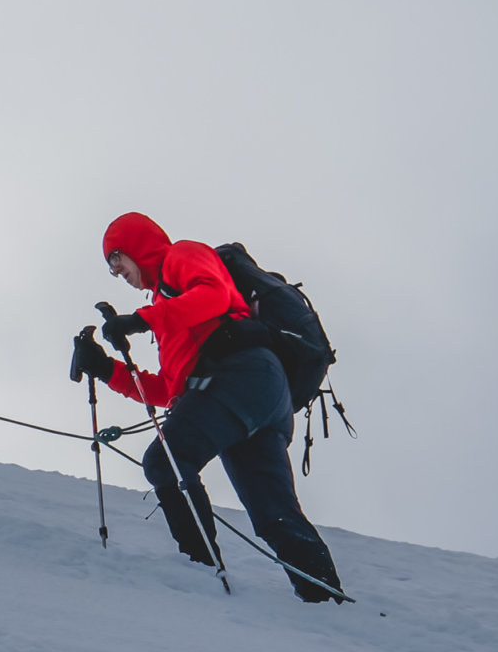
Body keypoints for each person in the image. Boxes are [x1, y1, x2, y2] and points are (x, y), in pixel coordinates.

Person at [71, 212, 343, 602]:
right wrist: (104, 367)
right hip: (257, 395)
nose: (118, 273)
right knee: (272, 514)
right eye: (112, 269)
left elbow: (213, 294)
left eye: (117, 260)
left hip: (243, 376)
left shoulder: (181, 256)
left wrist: (142, 321)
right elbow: (168, 389)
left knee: (165, 462)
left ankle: (200, 573)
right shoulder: (166, 308)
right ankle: (327, 602)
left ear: (136, 245)